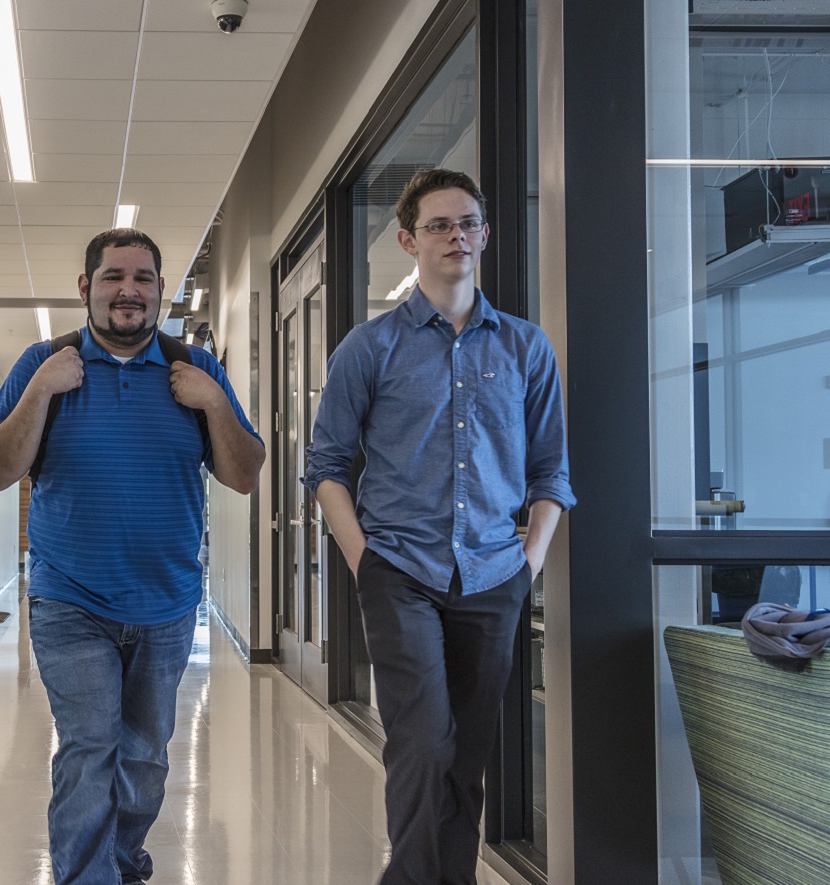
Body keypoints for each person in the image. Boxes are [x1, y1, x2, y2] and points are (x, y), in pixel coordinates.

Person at [304, 169, 573, 885]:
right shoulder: (369, 348)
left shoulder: (524, 348)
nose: (458, 236)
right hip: (401, 571)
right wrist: (365, 559)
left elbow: (553, 473)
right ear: (407, 240)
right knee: (422, 743)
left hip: (493, 574)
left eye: (468, 224)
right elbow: (325, 466)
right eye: (439, 225)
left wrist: (529, 563)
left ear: (484, 234)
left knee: (466, 755)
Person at [0, 228, 264, 885]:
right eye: (113, 277)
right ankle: (90, 874)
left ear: (162, 291)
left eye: (142, 278)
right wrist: (42, 390)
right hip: (70, 599)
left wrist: (215, 401)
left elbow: (245, 474)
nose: (128, 291)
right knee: (87, 749)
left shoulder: (193, 369)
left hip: (165, 605)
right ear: (86, 288)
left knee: (144, 758)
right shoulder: (43, 361)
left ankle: (122, 858)